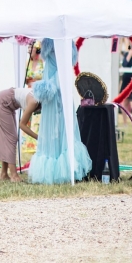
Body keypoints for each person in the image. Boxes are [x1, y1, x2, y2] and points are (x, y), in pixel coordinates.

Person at [28, 39, 93, 184]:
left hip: (56, 85)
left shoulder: (57, 44)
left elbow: (61, 69)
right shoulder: (58, 43)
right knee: (57, 126)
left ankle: (64, 165)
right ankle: (63, 166)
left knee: (63, 125)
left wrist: (49, 85)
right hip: (54, 85)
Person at [0, 82, 38, 182]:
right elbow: (22, 125)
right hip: (2, 102)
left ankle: (3, 173)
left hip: (8, 104)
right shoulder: (34, 101)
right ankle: (14, 175)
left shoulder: (37, 97)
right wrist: (38, 137)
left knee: (6, 138)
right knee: (11, 138)